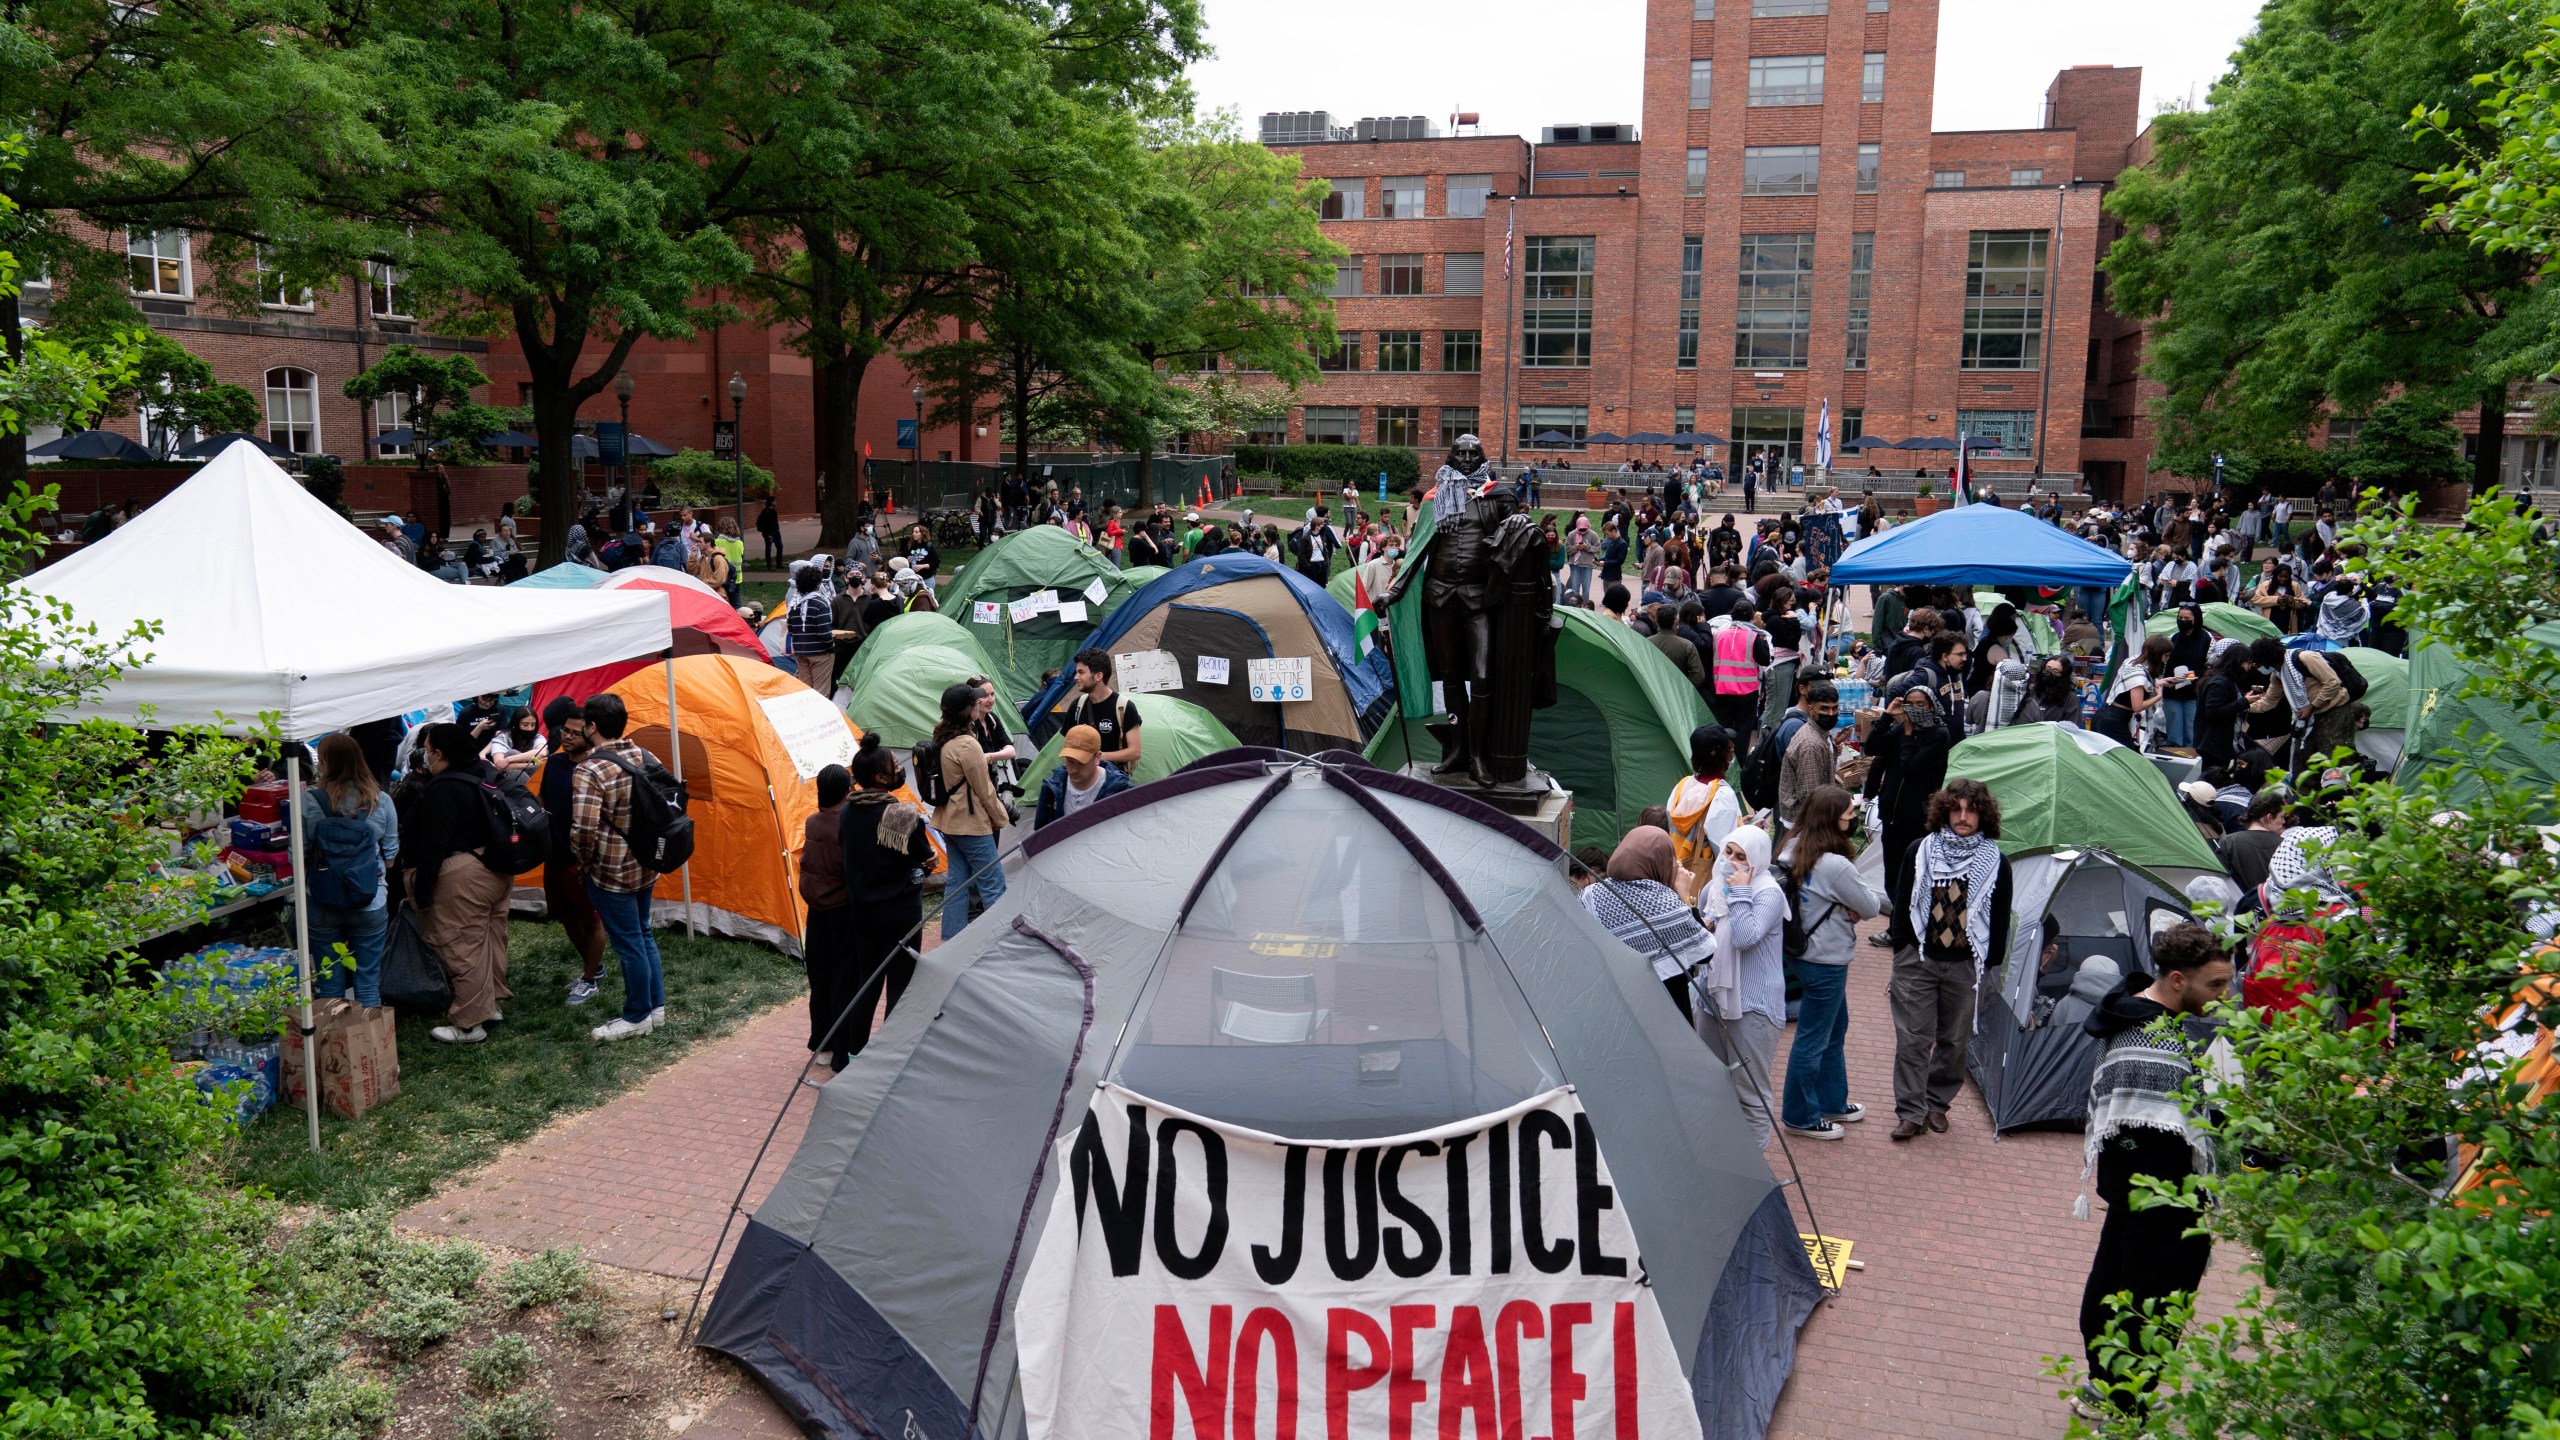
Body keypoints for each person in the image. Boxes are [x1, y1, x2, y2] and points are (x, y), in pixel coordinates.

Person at [2075, 921, 2232, 1420]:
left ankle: (2105, 1389)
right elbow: (2186, 1123)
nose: (2225, 996)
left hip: (2127, 1192)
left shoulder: (2130, 1010)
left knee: (2107, 1298)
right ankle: (2127, 1412)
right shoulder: (2158, 1044)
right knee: (2153, 1311)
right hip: (2165, 1202)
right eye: (2216, 985)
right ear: (2179, 980)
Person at [1885, 779, 2014, 1139]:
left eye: (1970, 810)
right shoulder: (1920, 850)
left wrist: (1988, 967)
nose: (1962, 816)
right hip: (1919, 960)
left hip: (1966, 966)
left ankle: (1936, 1104)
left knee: (1955, 1042)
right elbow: (1903, 900)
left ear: (1982, 815)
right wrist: (1903, 948)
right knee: (1912, 1039)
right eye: (1956, 809)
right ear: (1944, 811)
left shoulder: (1996, 863)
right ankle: (1910, 1112)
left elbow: (2000, 918)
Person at [1777, 787, 1885, 1140]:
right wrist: (1849, 906)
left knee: (1835, 1028)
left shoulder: (1793, 847)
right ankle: (1800, 1115)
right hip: (1826, 960)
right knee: (1813, 1038)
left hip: (1800, 952)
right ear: (1831, 818)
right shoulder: (1834, 865)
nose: (1853, 819)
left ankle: (1831, 1099)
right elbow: (1869, 906)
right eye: (1848, 814)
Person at [830, 736, 938, 1066]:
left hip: (862, 912)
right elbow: (924, 854)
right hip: (901, 911)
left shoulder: (848, 811)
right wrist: (929, 858)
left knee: (868, 984)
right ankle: (890, 1059)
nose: (899, 770)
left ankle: (854, 1054)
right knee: (901, 984)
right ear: (880, 777)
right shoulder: (899, 813)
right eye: (894, 766)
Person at [406, 723, 515, 1045]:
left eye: (428, 750)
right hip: (496, 869)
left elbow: (433, 845)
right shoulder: (484, 771)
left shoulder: (444, 788)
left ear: (439, 753)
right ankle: (489, 1005)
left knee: (462, 946)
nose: (426, 757)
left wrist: (422, 890)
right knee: (489, 939)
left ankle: (469, 1024)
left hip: (462, 875)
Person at [571, 694, 667, 1042]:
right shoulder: (644, 755)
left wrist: (583, 862)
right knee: (643, 934)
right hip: (646, 861)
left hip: (611, 870)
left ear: (592, 727)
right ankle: (656, 1007)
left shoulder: (590, 769)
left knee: (628, 943)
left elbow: (583, 827)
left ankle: (637, 1015)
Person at [1698, 823, 1788, 1149]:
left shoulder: (1768, 893)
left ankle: (1756, 1179)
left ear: (1758, 860)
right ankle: (1723, 1159)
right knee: (1713, 1082)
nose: (1733, 862)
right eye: (1728, 852)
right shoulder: (1713, 889)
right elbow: (1704, 939)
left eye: (1742, 857)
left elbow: (1745, 936)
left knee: (1750, 1091)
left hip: (1753, 1005)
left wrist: (1739, 892)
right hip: (1712, 1000)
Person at [301, 733, 401, 1009]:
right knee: (367, 981)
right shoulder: (380, 800)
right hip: (370, 899)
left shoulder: (311, 801)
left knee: (330, 983)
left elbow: (298, 853)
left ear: (326, 764)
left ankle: (333, 1047)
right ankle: (368, 1047)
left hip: (322, 899)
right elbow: (391, 857)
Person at [1581, 825, 1711, 1021]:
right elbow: (1705, 954)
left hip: (1612, 1007)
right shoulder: (1668, 905)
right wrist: (1685, 897)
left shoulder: (1592, 894)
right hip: (1666, 1012)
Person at [535, 698, 610, 1004]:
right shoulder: (553, 763)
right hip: (554, 855)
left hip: (581, 860)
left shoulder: (595, 769)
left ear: (589, 735)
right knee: (566, 916)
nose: (566, 736)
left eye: (574, 733)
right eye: (564, 731)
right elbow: (543, 800)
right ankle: (594, 966)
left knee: (591, 920)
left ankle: (589, 979)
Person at [928, 682, 1011, 939]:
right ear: (967, 710)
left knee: (957, 884)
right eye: (976, 702)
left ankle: (952, 941)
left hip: (950, 822)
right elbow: (984, 789)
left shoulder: (943, 738)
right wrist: (1001, 817)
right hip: (970, 824)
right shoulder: (967, 744)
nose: (981, 703)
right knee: (993, 884)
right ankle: (1000, 944)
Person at [798, 763, 857, 1067]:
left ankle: (821, 1042)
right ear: (846, 791)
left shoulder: (812, 822)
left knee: (819, 978)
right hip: (842, 911)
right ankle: (841, 1044)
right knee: (843, 979)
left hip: (816, 911)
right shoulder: (846, 826)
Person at [1665, 724, 1742, 875]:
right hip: (1704, 876)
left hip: (1676, 869)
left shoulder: (1682, 786)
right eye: (1729, 750)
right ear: (1723, 756)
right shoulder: (1722, 796)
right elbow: (1725, 851)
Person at [1776, 678, 1842, 836]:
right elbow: (1810, 795)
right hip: (1805, 823)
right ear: (1811, 710)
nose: (1831, 714)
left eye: (1835, 708)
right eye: (1824, 709)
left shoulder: (1820, 732)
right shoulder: (1811, 744)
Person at [1035, 724, 1134, 829]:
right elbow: (1040, 834)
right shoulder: (1051, 788)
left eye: (1081, 763)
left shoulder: (1120, 790)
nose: (1074, 770)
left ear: (1097, 757)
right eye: (1070, 761)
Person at [1061, 647, 1143, 771]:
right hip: (1082, 778)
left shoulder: (1123, 707)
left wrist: (1098, 757)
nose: (1076, 677)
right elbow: (1068, 746)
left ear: (1098, 676)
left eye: (1081, 672)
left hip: (1112, 782)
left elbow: (1135, 752)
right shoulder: (1077, 706)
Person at [1708, 599, 1771, 749]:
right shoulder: (1753, 636)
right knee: (1744, 730)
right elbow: (1765, 660)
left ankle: (1721, 758)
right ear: (1751, 617)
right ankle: (1740, 762)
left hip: (1722, 688)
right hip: (1747, 691)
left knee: (1722, 727)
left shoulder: (1718, 635)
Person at [2098, 634, 2170, 750]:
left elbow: (2133, 686)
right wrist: (2160, 695)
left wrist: (2159, 682)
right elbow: (2138, 706)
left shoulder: (2133, 661)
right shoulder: (2139, 676)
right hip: (2115, 720)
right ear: (2157, 654)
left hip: (2107, 714)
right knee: (2132, 759)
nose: (2167, 659)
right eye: (2166, 655)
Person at [2218, 787, 2290, 897]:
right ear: (2269, 818)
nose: (2283, 822)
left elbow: (2219, 880)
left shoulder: (2229, 842)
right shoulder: (2287, 846)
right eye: (2282, 817)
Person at [2161, 605, 2210, 751]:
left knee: (2191, 730)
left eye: (2187, 619)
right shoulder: (2175, 638)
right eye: (2180, 618)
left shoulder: (2206, 639)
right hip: (2172, 690)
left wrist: (2189, 675)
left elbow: (2210, 667)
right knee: (2174, 729)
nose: (2183, 621)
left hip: (2193, 692)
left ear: (2196, 619)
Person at [786, 564, 836, 694]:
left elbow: (791, 629)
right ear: (818, 584)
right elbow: (824, 632)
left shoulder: (794, 605)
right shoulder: (820, 604)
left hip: (801, 651)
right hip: (820, 652)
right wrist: (831, 647)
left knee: (805, 690)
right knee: (821, 691)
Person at [483, 706, 546, 776]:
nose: (529, 729)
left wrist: (510, 759)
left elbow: (542, 753)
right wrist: (531, 765)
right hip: (508, 779)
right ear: (516, 724)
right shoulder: (502, 737)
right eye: (525, 725)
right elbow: (499, 764)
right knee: (513, 754)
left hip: (532, 777)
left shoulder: (537, 737)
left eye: (533, 725)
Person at [755, 498, 784, 567]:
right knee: (768, 548)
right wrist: (768, 534)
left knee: (780, 547)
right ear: (772, 502)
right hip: (768, 533)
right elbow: (764, 524)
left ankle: (779, 564)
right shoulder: (765, 512)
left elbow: (774, 523)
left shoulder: (774, 511)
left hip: (776, 531)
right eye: (774, 501)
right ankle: (769, 565)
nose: (776, 502)